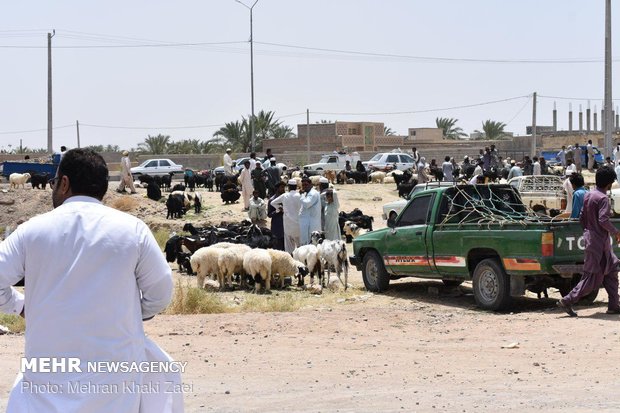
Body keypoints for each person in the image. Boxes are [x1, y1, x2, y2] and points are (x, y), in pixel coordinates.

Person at [0, 148, 179, 412]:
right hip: (114, 384)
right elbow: (161, 291)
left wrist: (20, 305)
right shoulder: (133, 230)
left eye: (54, 182)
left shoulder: (31, 231)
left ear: (64, 183)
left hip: (46, 382)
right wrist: (130, 312)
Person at [557, 166, 620, 317]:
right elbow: (603, 219)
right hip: (598, 242)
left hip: (595, 241)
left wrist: (589, 232)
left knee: (611, 272)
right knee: (592, 277)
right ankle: (567, 301)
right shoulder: (603, 198)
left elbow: (581, 217)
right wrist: (616, 232)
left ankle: (614, 305)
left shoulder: (588, 195)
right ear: (609, 184)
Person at [271, 179, 302, 254]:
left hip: (288, 226)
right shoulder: (299, 196)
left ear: (288, 187)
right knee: (300, 247)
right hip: (298, 225)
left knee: (289, 248)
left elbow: (272, 203)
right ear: (296, 187)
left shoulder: (285, 196)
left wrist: (279, 209)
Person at [298, 177, 321, 245]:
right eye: (303, 185)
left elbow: (307, 204)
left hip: (312, 223)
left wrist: (301, 195)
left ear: (311, 185)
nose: (304, 187)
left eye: (306, 185)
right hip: (308, 223)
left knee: (312, 243)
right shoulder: (307, 193)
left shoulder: (313, 193)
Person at [268, 182, 285, 250]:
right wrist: (277, 211)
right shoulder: (272, 200)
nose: (284, 189)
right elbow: (269, 214)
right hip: (276, 226)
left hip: (285, 225)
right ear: (277, 189)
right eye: (282, 187)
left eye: (284, 187)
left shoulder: (285, 199)